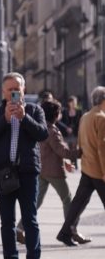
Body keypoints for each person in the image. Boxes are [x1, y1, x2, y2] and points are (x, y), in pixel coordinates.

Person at [0, 72, 48, 259]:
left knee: (30, 220)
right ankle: (10, 256)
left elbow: (43, 134)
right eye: (10, 89)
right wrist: (4, 119)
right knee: (7, 222)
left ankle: (33, 255)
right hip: (4, 173)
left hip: (28, 172)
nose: (13, 93)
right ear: (3, 92)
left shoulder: (35, 110)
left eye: (16, 89)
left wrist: (24, 118)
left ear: (23, 90)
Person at [15, 99, 88, 245]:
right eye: (59, 112)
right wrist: (80, 152)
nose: (61, 114)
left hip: (42, 169)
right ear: (55, 114)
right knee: (67, 200)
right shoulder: (52, 131)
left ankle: (19, 228)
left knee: (36, 201)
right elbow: (62, 150)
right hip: (54, 172)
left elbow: (51, 151)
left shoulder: (41, 127)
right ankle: (71, 231)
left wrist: (65, 161)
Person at [56, 86, 105, 246]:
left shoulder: (85, 116)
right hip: (98, 169)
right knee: (79, 202)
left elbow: (81, 141)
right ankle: (65, 232)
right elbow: (102, 147)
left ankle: (65, 232)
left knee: (78, 203)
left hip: (87, 167)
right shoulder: (101, 118)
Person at [61, 95, 82, 169]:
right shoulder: (65, 111)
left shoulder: (79, 112)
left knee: (74, 148)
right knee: (70, 149)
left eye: (75, 102)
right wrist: (66, 128)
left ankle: (75, 163)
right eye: (72, 102)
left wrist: (75, 128)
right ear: (69, 103)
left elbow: (80, 121)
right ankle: (72, 163)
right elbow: (61, 121)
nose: (73, 104)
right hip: (67, 133)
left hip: (75, 133)